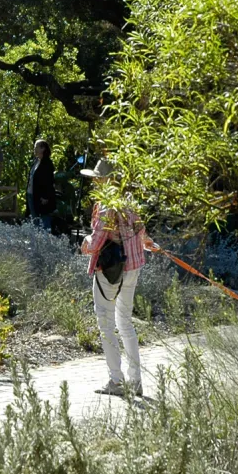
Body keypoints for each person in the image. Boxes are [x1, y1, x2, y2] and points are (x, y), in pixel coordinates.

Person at [80, 157, 157, 397]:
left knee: (105, 321)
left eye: (98, 178)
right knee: (125, 321)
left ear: (107, 180)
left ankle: (116, 380)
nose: (96, 183)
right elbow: (141, 233)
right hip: (133, 267)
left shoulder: (106, 205)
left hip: (111, 270)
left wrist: (86, 242)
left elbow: (97, 241)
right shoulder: (131, 201)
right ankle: (135, 382)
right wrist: (148, 243)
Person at [27, 138, 57, 233]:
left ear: (43, 148)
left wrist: (46, 197)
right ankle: (37, 242)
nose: (34, 149)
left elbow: (49, 181)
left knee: (45, 220)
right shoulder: (36, 161)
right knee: (35, 220)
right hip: (32, 194)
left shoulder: (47, 164)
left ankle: (46, 242)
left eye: (36, 147)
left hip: (42, 197)